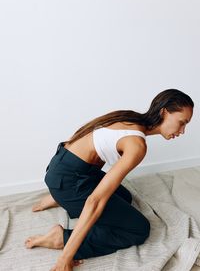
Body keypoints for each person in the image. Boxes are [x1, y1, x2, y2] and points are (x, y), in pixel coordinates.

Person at [25, 88, 194, 271]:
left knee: (124, 197)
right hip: (68, 180)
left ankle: (60, 197)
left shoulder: (129, 118)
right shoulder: (137, 145)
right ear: (164, 112)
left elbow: (91, 151)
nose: (183, 131)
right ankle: (60, 237)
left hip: (62, 166)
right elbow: (95, 201)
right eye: (182, 122)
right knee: (138, 229)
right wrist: (67, 257)